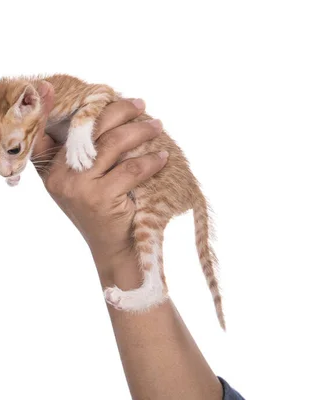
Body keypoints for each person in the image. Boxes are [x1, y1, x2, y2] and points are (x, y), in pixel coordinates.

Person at [31, 82, 245, 400]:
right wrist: (116, 250)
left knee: (147, 225)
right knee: (145, 226)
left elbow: (98, 94)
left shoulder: (56, 93)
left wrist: (117, 252)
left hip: (156, 172)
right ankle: (150, 287)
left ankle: (152, 287)